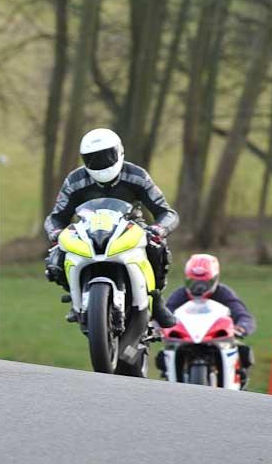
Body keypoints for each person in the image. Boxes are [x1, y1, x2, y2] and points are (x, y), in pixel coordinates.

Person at [43, 127, 179, 327]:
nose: (101, 162)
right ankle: (76, 297)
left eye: (106, 155)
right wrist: (55, 232)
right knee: (56, 256)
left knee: (157, 247)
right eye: (93, 158)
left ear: (119, 152)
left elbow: (166, 212)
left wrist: (160, 229)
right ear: (84, 159)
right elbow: (56, 217)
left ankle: (156, 300)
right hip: (88, 229)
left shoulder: (137, 175)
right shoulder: (75, 180)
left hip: (130, 226)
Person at [165, 253, 256, 385]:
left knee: (241, 350)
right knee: (165, 352)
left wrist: (241, 327)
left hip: (215, 338)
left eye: (204, 283)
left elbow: (242, 314)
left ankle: (239, 379)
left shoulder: (224, 293)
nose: (198, 288)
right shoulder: (180, 294)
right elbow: (165, 313)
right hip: (187, 338)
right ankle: (169, 376)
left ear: (215, 279)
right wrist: (157, 326)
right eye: (193, 282)